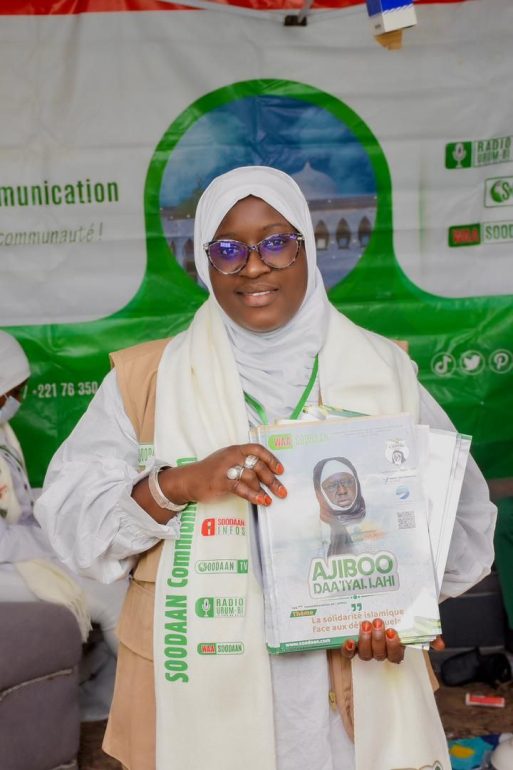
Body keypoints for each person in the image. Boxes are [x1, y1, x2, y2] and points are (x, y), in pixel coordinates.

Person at [35, 166, 496, 770]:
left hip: (349, 700)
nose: (253, 267)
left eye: (276, 242)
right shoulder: (148, 381)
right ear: (205, 263)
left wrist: (400, 610)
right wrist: (180, 483)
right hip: (197, 694)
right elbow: (73, 522)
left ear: (308, 246)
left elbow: (455, 520)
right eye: (228, 250)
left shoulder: (383, 372)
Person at [0, 330, 128, 712]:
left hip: (14, 551)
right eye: (13, 392)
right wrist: (56, 541)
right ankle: (137, 701)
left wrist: (58, 515)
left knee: (109, 574)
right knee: (108, 595)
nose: (18, 401)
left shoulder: (4, 434)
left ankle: (99, 705)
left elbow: (19, 503)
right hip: (6, 559)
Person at [313, 457, 366, 555]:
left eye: (348, 482)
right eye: (332, 486)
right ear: (320, 493)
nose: (342, 491)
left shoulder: (381, 516)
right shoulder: (313, 529)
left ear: (357, 484)